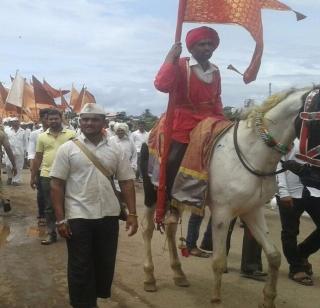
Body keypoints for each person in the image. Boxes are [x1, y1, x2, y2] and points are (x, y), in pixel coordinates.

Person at [50, 103, 138, 308]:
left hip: (108, 214)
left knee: (104, 261)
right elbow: (56, 184)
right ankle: (83, 303)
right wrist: (61, 218)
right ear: (80, 122)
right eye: (85, 119)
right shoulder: (68, 148)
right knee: (80, 264)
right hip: (78, 215)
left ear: (104, 123)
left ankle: (94, 297)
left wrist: (132, 213)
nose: (88, 123)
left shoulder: (116, 149)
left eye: (94, 119)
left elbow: (126, 182)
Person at [154, 26, 224, 202]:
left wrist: (224, 122)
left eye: (210, 44)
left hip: (210, 122)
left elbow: (217, 100)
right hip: (183, 123)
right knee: (173, 159)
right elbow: (162, 85)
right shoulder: (181, 64)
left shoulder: (216, 70)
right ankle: (170, 199)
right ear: (191, 48)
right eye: (202, 44)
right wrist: (170, 57)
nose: (207, 48)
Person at [277, 139, 320, 286]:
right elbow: (278, 164)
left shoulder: (314, 141)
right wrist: (283, 192)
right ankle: (295, 268)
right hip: (290, 192)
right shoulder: (290, 139)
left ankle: (302, 253)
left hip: (313, 191)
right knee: (290, 231)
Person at [30, 109, 76, 245]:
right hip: (47, 175)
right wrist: (33, 176)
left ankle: (69, 230)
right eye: (50, 119)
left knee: (69, 203)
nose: (53, 121)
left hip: (68, 175)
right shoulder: (42, 137)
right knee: (49, 206)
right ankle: (51, 233)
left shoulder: (72, 134)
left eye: (56, 118)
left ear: (61, 119)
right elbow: (38, 157)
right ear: (46, 120)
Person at [28, 109, 50, 226]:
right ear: (41, 119)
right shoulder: (35, 134)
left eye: (50, 118)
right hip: (41, 168)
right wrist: (33, 173)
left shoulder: (61, 132)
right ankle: (42, 215)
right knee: (42, 193)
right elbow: (32, 154)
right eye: (46, 118)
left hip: (57, 168)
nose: (49, 121)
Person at [0, 119, 17, 212]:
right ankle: (5, 199)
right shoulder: (2, 133)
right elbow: (8, 149)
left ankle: (4, 199)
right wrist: (14, 165)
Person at [5, 117, 27, 185]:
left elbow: (25, 142)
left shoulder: (23, 131)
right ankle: (10, 177)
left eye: (17, 121)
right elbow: (5, 141)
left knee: (19, 166)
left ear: (19, 122)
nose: (15, 123)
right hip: (9, 151)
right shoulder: (7, 130)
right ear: (11, 123)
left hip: (20, 151)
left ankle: (16, 180)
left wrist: (26, 151)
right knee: (8, 165)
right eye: (14, 121)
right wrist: (4, 149)